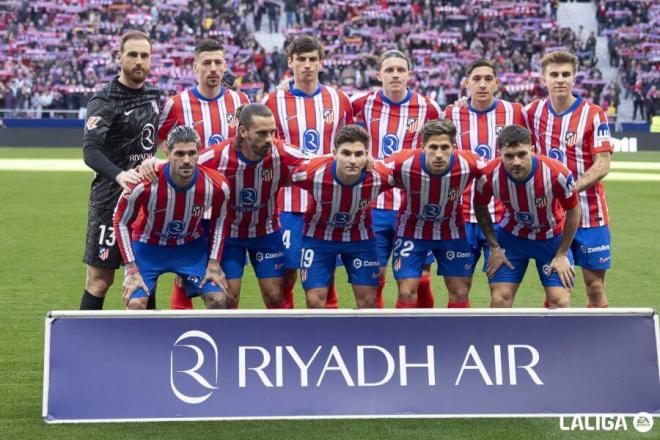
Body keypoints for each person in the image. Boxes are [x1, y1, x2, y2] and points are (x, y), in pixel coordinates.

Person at [157, 38, 249, 310]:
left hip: (229, 206)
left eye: (218, 63)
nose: (213, 68)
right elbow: (160, 141)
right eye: (206, 63)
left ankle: (224, 340)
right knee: (183, 280)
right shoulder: (177, 104)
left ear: (225, 67)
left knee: (227, 286)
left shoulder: (240, 101)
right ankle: (179, 341)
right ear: (194, 67)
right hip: (189, 207)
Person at [262, 35, 353, 308]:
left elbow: (350, 141)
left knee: (324, 280)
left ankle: (326, 336)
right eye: (301, 59)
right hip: (289, 203)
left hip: (328, 203)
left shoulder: (339, 100)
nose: (307, 65)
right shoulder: (273, 101)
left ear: (321, 63)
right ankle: (287, 335)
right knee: (286, 276)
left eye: (313, 59)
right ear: (290, 62)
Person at [350, 49, 442, 308]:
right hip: (374, 207)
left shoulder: (428, 107)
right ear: (379, 74)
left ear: (409, 74)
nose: (395, 75)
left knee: (419, 279)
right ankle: (378, 335)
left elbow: (444, 143)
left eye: (401, 70)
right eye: (389, 70)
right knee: (374, 277)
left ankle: (421, 336)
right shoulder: (360, 103)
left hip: (413, 208)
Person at [198, 103, 309, 309]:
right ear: (243, 132)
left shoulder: (280, 151)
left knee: (276, 296)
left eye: (272, 132)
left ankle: (280, 339)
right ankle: (229, 341)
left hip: (265, 233)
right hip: (228, 236)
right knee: (227, 299)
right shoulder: (217, 156)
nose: (270, 139)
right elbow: (181, 165)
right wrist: (152, 166)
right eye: (262, 133)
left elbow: (316, 163)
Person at [80, 30, 160, 310]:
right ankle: (84, 345)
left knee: (146, 281)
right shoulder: (105, 100)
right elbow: (90, 151)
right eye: (133, 55)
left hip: (146, 203)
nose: (139, 61)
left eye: (144, 55)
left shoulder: (154, 95)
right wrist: (120, 174)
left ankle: (148, 351)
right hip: (110, 201)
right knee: (100, 281)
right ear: (119, 57)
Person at [526, 51, 612, 308]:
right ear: (544, 78)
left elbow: (603, 164)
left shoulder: (594, 114)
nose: (560, 79)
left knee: (595, 287)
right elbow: (500, 115)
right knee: (556, 292)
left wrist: (570, 188)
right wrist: (465, 101)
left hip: (591, 214)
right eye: (554, 74)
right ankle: (556, 345)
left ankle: (597, 344)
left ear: (574, 78)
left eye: (566, 74)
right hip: (552, 218)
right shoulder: (532, 111)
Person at [113, 126, 231, 310]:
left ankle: (207, 339)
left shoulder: (216, 185)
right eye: (179, 154)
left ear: (199, 153)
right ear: (167, 153)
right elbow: (120, 220)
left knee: (219, 300)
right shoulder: (143, 183)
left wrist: (214, 262)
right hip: (148, 246)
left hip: (189, 247)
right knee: (135, 304)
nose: (186, 160)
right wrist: (131, 269)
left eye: (192, 153)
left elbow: (221, 220)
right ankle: (142, 340)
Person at [445, 59, 528, 304]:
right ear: (466, 83)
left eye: (488, 79)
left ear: (497, 83)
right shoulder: (451, 113)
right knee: (458, 293)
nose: (482, 84)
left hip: (503, 217)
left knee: (502, 296)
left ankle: (496, 341)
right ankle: (459, 341)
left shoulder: (515, 112)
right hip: (460, 217)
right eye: (476, 79)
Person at [473, 125, 581, 308]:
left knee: (560, 301)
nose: (516, 162)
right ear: (499, 153)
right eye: (508, 156)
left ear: (532, 150)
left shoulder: (556, 173)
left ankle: (551, 337)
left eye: (522, 154)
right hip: (511, 239)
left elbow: (574, 211)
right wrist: (494, 247)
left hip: (551, 240)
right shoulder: (488, 175)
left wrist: (562, 254)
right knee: (500, 299)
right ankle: (499, 338)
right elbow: (480, 206)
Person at [291, 125, 395, 308]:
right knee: (315, 301)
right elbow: (280, 174)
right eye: (346, 153)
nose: (353, 160)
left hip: (360, 239)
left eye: (358, 154)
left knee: (369, 302)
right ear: (334, 153)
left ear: (367, 155)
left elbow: (409, 177)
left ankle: (362, 337)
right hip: (318, 238)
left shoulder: (381, 176)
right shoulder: (311, 173)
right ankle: (325, 337)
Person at [385, 120, 486, 308]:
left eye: (444, 147)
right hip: (411, 232)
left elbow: (496, 169)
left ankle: (456, 338)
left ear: (454, 147)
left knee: (460, 291)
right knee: (407, 292)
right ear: (423, 147)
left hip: (452, 232)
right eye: (433, 147)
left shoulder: (468, 162)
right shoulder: (403, 161)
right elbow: (373, 170)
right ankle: (409, 337)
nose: (439, 154)